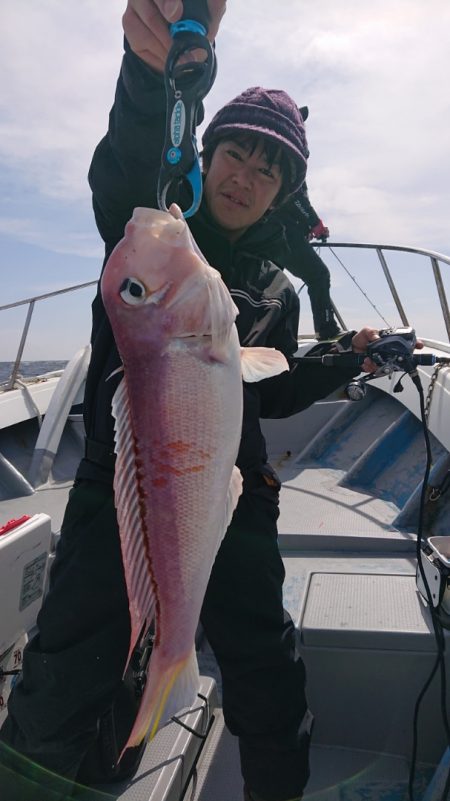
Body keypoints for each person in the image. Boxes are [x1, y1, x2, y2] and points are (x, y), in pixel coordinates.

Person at [0, 2, 382, 800]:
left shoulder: (276, 285)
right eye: (234, 153)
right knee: (60, 678)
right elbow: (129, 167)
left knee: (270, 679)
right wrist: (152, 77)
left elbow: (268, 391)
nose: (245, 176)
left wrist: (342, 363)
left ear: (282, 191)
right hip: (120, 491)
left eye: (267, 169)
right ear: (205, 154)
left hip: (234, 496)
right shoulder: (160, 232)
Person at [265, 106, 341, 341]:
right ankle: (326, 330)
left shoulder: (274, 150)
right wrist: (314, 223)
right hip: (283, 232)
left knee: (267, 285)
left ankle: (266, 336)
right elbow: (293, 195)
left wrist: (309, 225)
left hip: (271, 231)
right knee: (318, 275)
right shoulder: (287, 153)